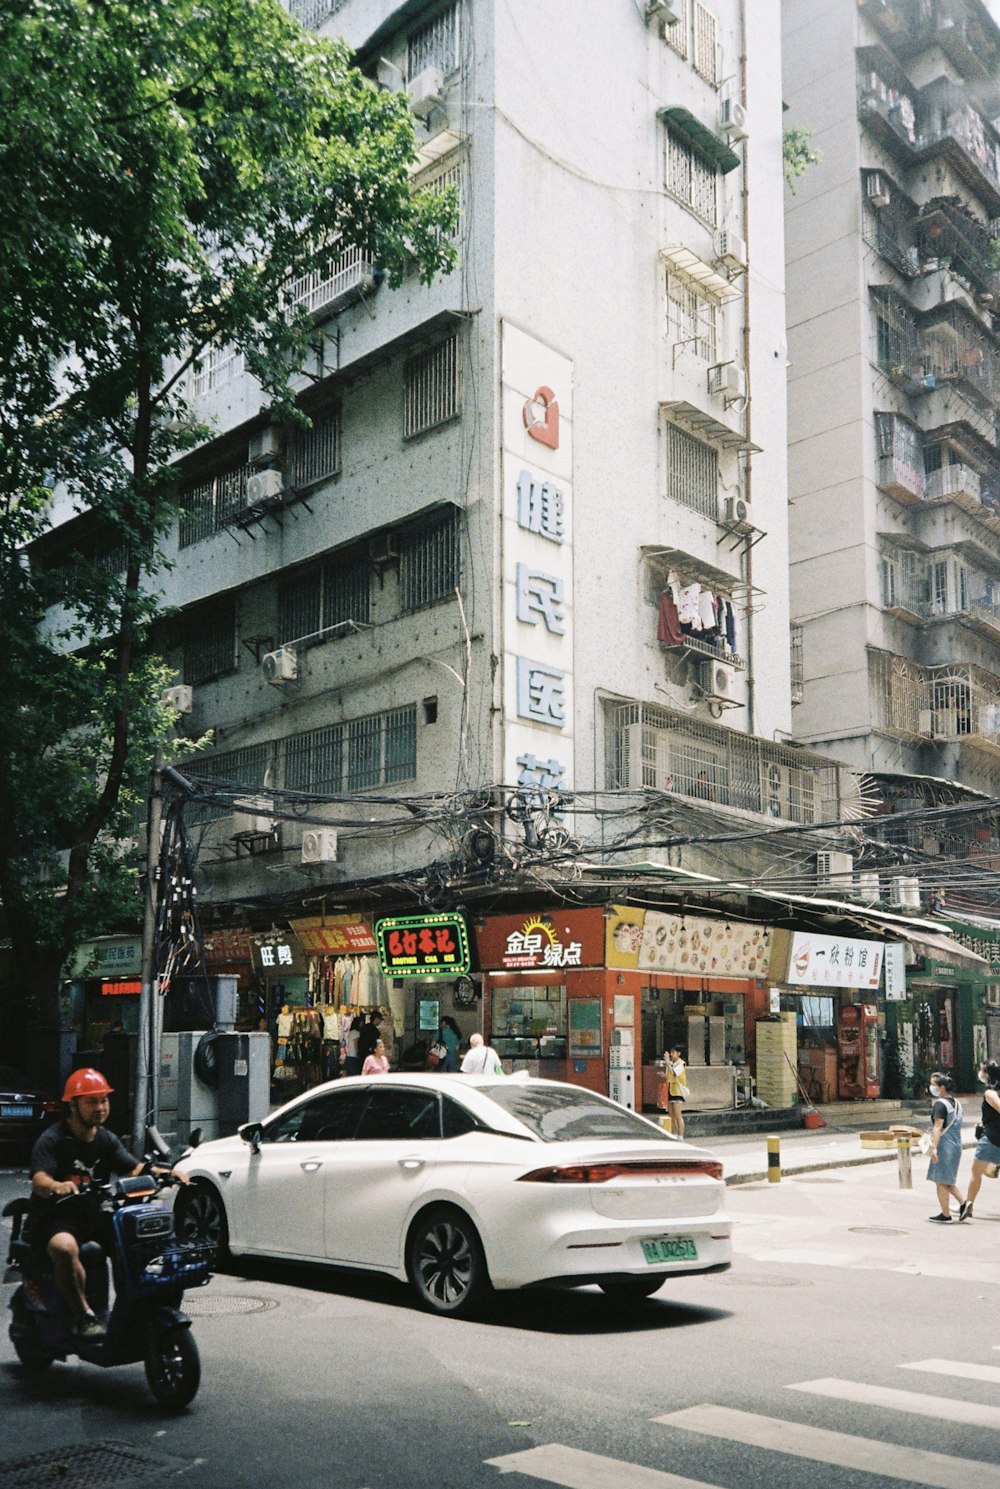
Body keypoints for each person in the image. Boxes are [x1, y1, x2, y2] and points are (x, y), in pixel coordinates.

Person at [27, 1068, 189, 1340]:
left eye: (103, 1100)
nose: (100, 1108)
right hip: (59, 1216)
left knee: (135, 1242)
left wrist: (168, 1173)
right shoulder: (54, 1139)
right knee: (64, 1248)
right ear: (73, 1104)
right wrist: (57, 1185)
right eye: (92, 1101)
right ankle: (84, 1316)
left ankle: (136, 1308)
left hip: (96, 1213)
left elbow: (135, 1169)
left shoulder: (105, 1138)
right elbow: (39, 1179)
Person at [960, 1058, 1000, 1221]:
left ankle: (969, 1205)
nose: (980, 1073)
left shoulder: (990, 1093)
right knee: (980, 1170)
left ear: (987, 1074)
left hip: (991, 1138)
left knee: (976, 1172)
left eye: (982, 1070)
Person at [925, 1071, 965, 1223]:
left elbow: (938, 1127)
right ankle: (963, 1205)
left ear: (942, 1087)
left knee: (941, 1180)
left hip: (944, 1146)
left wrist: (933, 1148)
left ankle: (946, 1214)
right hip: (956, 1144)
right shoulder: (957, 1104)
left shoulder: (940, 1104)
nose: (931, 1088)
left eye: (934, 1085)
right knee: (946, 1179)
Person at [665, 1046, 687, 1139]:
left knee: (678, 1116)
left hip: (677, 1092)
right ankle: (674, 1135)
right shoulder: (672, 1063)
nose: (671, 1054)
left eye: (674, 1052)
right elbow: (670, 1076)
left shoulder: (681, 1064)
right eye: (671, 1052)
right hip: (670, 1091)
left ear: (679, 1053)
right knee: (672, 1116)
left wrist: (667, 1063)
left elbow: (674, 1073)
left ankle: (680, 1136)